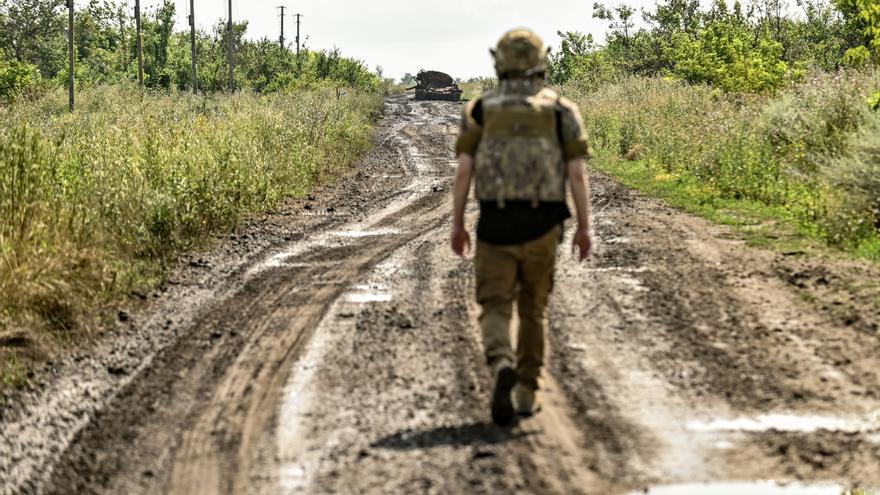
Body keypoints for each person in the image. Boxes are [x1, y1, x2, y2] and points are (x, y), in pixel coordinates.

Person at [451, 28, 594, 426]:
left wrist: (458, 223)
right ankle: (527, 391)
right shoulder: (561, 111)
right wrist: (585, 227)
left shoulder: (480, 109)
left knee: (495, 304)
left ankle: (501, 363)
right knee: (534, 308)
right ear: (540, 62)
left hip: (495, 222)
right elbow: (576, 174)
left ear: (500, 63)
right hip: (543, 224)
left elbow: (465, 171)